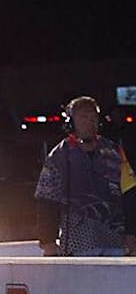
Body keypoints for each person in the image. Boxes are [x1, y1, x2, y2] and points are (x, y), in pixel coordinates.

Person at [34, 96, 136, 256]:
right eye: (83, 117)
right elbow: (46, 200)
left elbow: (130, 195)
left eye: (93, 117)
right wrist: (48, 241)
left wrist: (131, 233)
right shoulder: (59, 155)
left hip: (115, 242)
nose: (89, 122)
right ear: (71, 123)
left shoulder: (115, 152)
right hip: (78, 245)